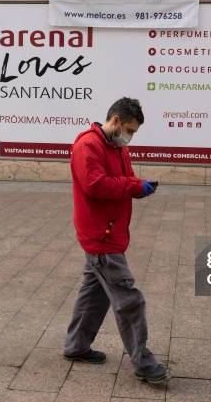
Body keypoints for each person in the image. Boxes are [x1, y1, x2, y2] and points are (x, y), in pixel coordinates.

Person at [63, 97, 171, 384]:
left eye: (134, 132)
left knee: (93, 295)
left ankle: (76, 346)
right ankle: (145, 364)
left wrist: (139, 188)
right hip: (101, 236)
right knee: (129, 300)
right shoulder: (88, 145)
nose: (130, 137)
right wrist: (133, 186)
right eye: (129, 130)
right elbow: (95, 185)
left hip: (110, 232)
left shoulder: (116, 146)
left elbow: (125, 180)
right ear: (114, 121)